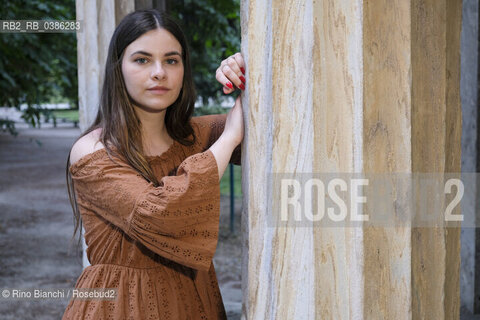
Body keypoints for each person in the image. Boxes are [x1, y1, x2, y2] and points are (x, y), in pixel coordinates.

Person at [63, 9, 245, 320]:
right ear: (117, 68)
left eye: (171, 60)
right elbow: (161, 214)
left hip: (195, 303)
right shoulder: (93, 152)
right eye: (142, 60)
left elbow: (277, 121)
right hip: (120, 308)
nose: (159, 72)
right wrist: (228, 140)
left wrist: (244, 70)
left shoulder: (195, 138)